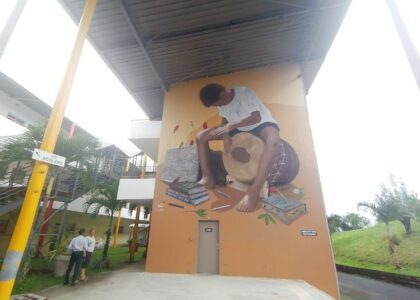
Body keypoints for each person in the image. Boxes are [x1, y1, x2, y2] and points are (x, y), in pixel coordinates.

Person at [197, 84, 280, 212]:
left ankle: (255, 190)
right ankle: (208, 177)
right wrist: (225, 135)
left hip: (260, 124)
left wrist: (229, 127)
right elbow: (225, 118)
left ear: (223, 94)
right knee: (201, 136)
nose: (219, 107)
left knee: (273, 141)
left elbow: (255, 117)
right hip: (235, 128)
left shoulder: (245, 93)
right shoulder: (221, 103)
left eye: (218, 103)